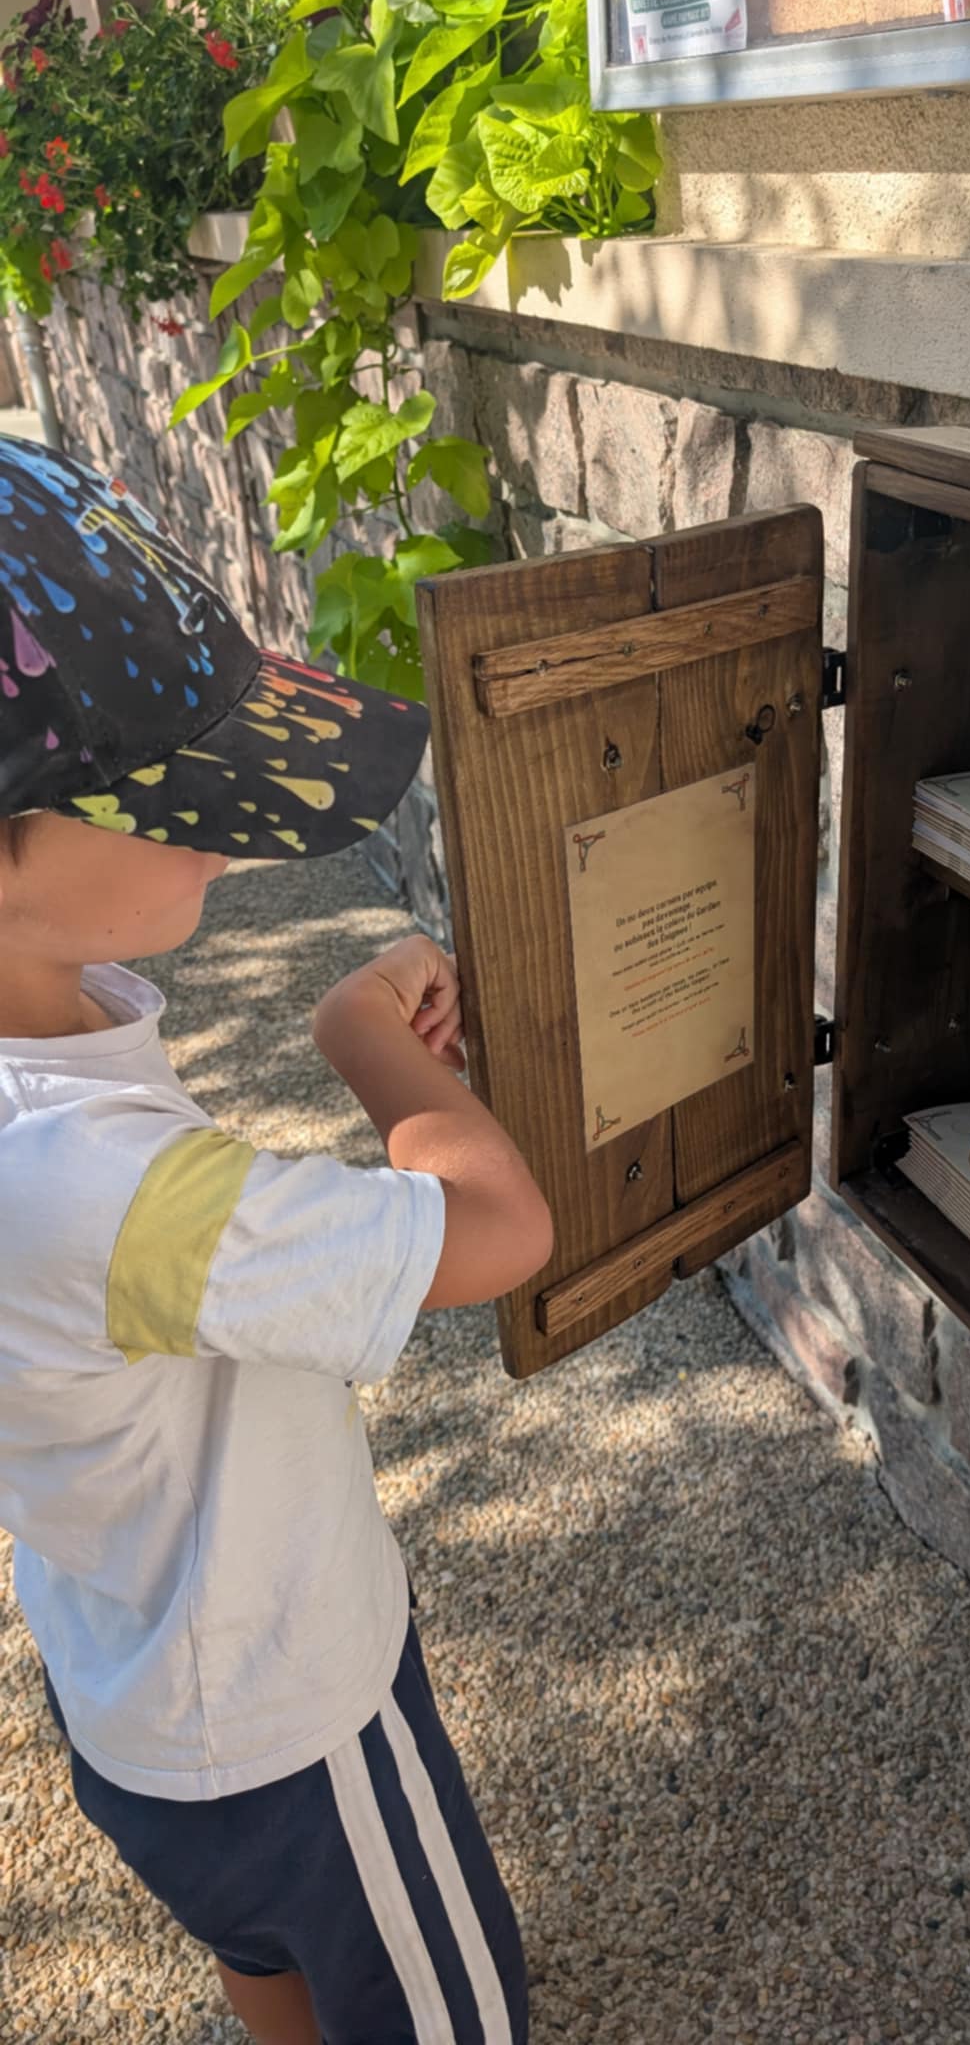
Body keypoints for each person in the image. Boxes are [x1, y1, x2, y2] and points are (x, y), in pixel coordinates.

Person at [0, 436, 551, 2045]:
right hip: (293, 1719)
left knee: (266, 1956)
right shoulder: (85, 1181)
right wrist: (360, 1032)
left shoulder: (53, 1048)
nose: (227, 839)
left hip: (133, 1706)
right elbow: (494, 1229)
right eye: (168, 807)